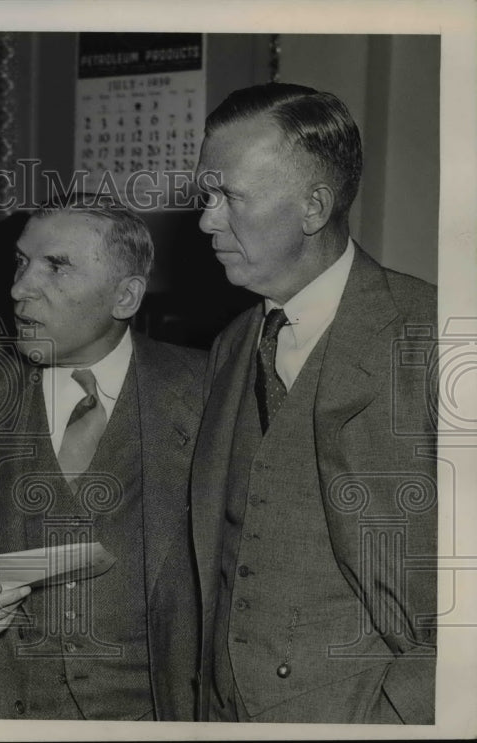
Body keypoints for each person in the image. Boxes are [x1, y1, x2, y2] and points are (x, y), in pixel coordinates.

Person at [190, 83, 437, 724]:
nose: (206, 220)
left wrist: (407, 714)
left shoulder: (433, 336)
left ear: (313, 207)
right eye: (206, 195)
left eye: (230, 197)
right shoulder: (231, 344)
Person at [0, 199, 205, 720]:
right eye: (21, 263)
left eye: (56, 267)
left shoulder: (206, 396)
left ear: (126, 296)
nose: (20, 288)